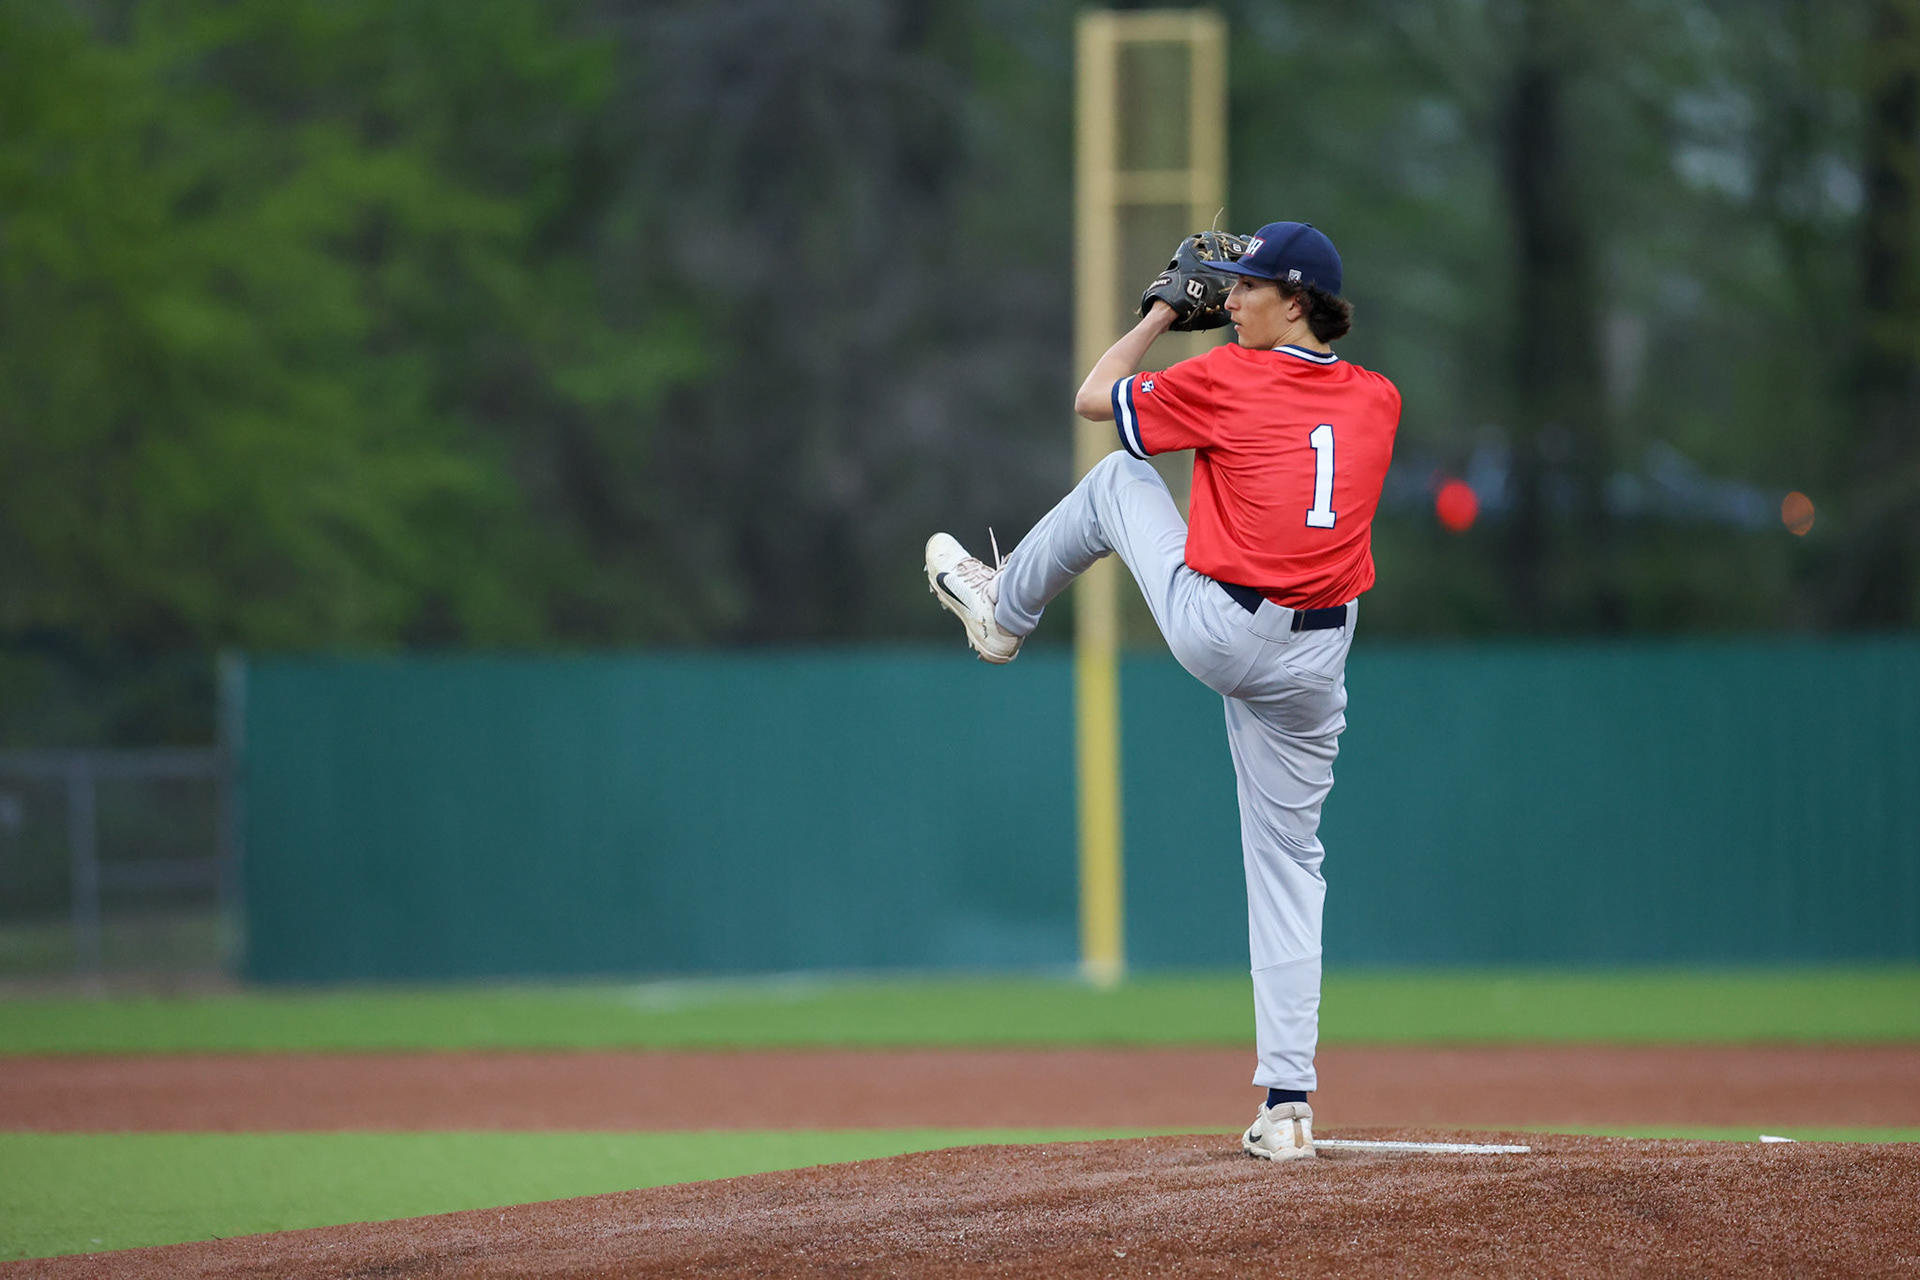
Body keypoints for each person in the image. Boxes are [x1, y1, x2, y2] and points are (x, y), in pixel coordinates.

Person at [924, 222, 1400, 1161]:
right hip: (1321, 653)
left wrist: (1153, 315)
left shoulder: (1228, 378)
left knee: (1112, 482)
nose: (1227, 301)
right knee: (1290, 862)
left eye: (1247, 288)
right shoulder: (1379, 398)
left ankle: (1002, 612)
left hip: (1228, 630)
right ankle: (1290, 1102)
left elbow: (1092, 397)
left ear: (1295, 300)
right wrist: (1219, 325)